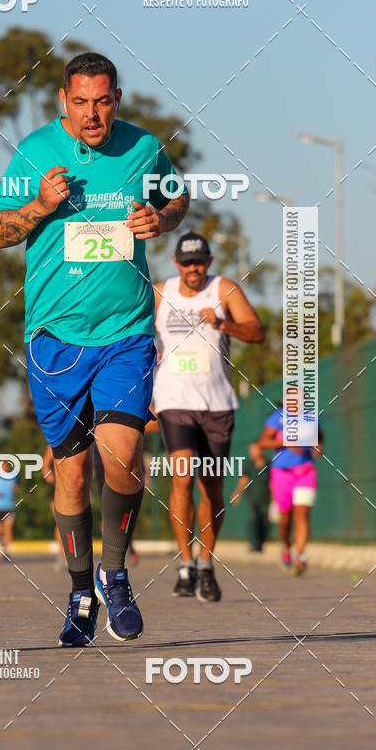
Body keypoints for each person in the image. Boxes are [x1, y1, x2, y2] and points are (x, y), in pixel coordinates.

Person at [0, 51, 188, 646]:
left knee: (123, 458)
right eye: (81, 102)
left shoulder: (144, 148)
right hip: (55, 338)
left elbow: (177, 199)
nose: (92, 113)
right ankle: (79, 591)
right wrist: (39, 207)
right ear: (62, 102)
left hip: (125, 331)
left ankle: (114, 573)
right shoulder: (35, 153)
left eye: (103, 101)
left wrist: (162, 218)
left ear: (117, 99)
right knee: (70, 477)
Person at [153, 231, 265, 601]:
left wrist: (222, 323)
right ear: (176, 264)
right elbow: (135, 339)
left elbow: (256, 332)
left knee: (211, 487)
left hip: (217, 403)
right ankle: (184, 564)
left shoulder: (224, 290)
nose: (193, 269)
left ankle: (206, 564)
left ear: (209, 262)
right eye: (186, 263)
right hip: (174, 399)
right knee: (182, 479)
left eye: (199, 262)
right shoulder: (160, 292)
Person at [258, 396, 323, 575]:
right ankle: (286, 546)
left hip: (305, 472)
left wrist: (315, 447)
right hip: (282, 472)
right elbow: (263, 442)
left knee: (302, 515)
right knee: (285, 518)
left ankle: (301, 556)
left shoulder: (312, 418)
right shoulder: (276, 418)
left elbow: (319, 445)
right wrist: (285, 442)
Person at [230, 442, 271, 552]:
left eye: (254, 450)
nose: (252, 453)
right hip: (252, 497)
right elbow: (244, 479)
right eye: (250, 451)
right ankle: (254, 544)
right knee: (253, 519)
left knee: (264, 520)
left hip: (266, 497)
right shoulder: (248, 464)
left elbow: (272, 481)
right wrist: (237, 493)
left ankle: (262, 542)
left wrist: (275, 498)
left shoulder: (269, 463)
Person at [42, 444, 67, 571]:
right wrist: (50, 476)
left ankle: (72, 556)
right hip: (57, 489)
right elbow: (45, 467)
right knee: (61, 523)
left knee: (75, 523)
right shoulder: (53, 443)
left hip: (75, 488)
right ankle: (61, 555)